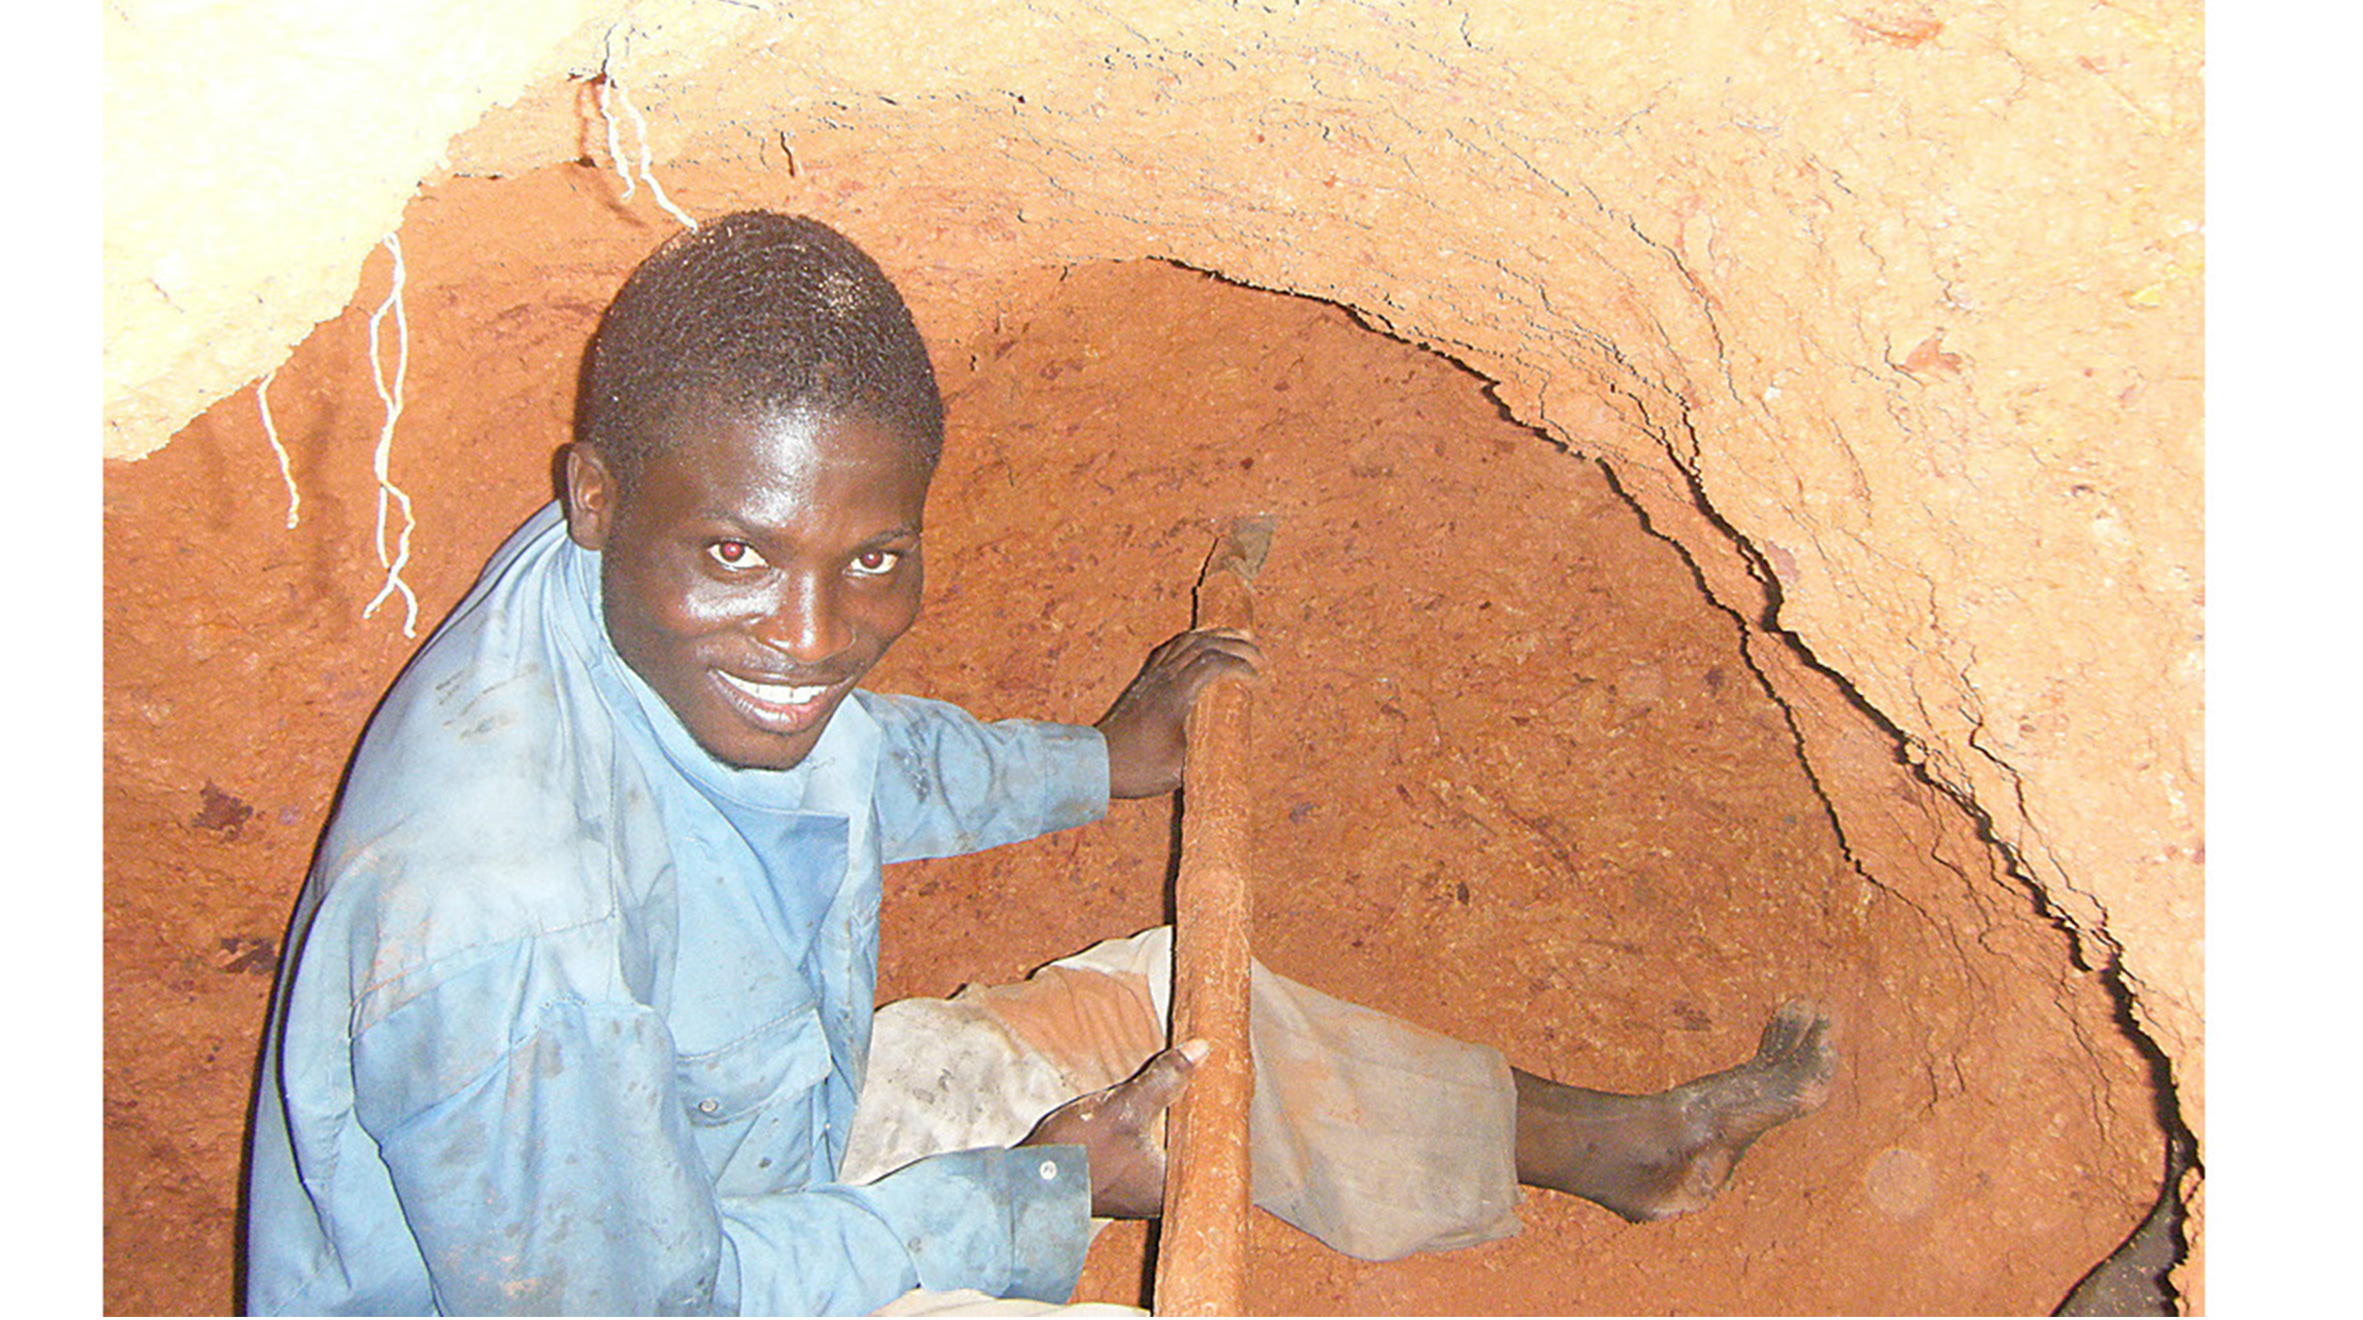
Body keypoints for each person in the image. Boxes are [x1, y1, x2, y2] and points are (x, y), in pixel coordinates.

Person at [242, 209, 1836, 1317]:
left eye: (872, 561)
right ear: (592, 495)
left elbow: (838, 755)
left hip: (730, 1162)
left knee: (1171, 999)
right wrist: (1034, 1194)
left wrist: (1098, 762)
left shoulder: (651, 582)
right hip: (631, 1283)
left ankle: (1609, 1151)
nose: (809, 631)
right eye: (739, 552)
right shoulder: (512, 931)